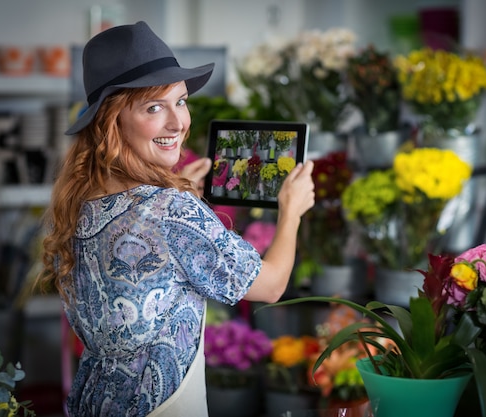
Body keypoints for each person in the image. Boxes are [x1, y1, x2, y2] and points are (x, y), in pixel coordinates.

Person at [38, 21, 315, 417]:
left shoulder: (78, 202)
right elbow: (270, 287)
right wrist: (291, 211)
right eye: (154, 107)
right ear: (111, 121)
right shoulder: (172, 211)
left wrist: (179, 196)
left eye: (181, 101)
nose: (177, 123)